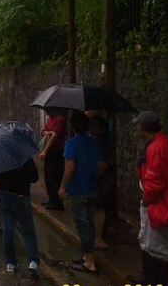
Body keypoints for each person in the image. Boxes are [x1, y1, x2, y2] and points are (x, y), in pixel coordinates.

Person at [126, 111, 168, 286]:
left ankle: (158, 280)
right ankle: (148, 277)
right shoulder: (160, 144)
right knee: (148, 242)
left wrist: (147, 199)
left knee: (159, 248)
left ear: (143, 128)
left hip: (161, 204)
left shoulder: (157, 148)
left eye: (138, 126)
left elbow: (155, 181)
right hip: (159, 202)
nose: (136, 129)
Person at [59, 112, 102, 274]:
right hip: (91, 188)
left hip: (78, 190)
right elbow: (98, 166)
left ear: (73, 126)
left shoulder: (71, 143)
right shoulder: (94, 143)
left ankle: (89, 262)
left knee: (82, 226)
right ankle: (87, 255)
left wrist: (62, 186)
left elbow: (70, 166)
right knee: (89, 224)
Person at [0, 156, 40, 277]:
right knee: (28, 230)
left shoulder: (1, 157)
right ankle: (33, 262)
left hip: (4, 196)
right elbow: (34, 178)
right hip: (22, 197)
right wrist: (35, 166)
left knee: (7, 229)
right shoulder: (25, 157)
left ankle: (10, 264)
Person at [88, 114, 113, 250]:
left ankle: (99, 238)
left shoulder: (105, 143)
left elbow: (102, 165)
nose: (90, 128)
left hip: (101, 179)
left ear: (101, 128)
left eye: (93, 125)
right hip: (96, 178)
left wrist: (92, 178)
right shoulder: (95, 140)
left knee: (98, 207)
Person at [39, 109, 66, 210]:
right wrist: (49, 132)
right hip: (50, 152)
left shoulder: (59, 120)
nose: (46, 111)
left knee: (55, 177)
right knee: (48, 176)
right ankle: (51, 198)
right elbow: (42, 132)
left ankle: (57, 202)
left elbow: (54, 137)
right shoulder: (50, 119)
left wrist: (45, 150)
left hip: (56, 152)